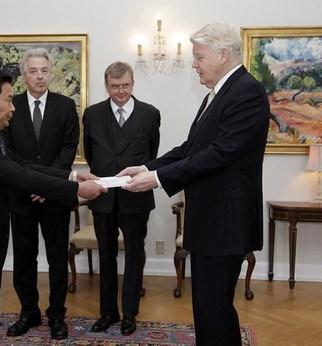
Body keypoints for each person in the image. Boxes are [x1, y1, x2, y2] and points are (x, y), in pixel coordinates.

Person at [119, 23, 269, 345]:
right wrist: (147, 167)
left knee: (214, 310)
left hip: (225, 224)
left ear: (223, 54)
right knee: (207, 309)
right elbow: (191, 148)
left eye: (199, 57)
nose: (194, 64)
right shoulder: (217, 95)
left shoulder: (246, 91)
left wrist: (157, 179)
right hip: (209, 222)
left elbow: (220, 153)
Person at [0, 68, 105, 346]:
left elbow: (21, 165)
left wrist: (72, 175)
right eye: (9, 100)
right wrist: (75, 190)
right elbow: (18, 176)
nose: (14, 107)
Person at [3, 48, 79, 340]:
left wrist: (47, 186)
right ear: (24, 75)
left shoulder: (65, 105)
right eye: (33, 71)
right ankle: (28, 312)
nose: (39, 76)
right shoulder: (10, 106)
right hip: (21, 196)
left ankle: (57, 315)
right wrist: (33, 184)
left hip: (55, 198)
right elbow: (6, 151)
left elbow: (69, 149)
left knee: (58, 258)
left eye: (44, 70)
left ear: (51, 72)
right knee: (24, 258)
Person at [83, 61, 160, 336]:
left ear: (133, 84)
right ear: (107, 86)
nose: (120, 91)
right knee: (106, 256)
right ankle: (108, 312)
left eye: (125, 86)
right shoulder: (91, 114)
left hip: (136, 197)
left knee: (135, 255)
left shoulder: (150, 114)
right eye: (115, 86)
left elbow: (151, 153)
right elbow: (91, 153)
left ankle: (129, 313)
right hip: (103, 197)